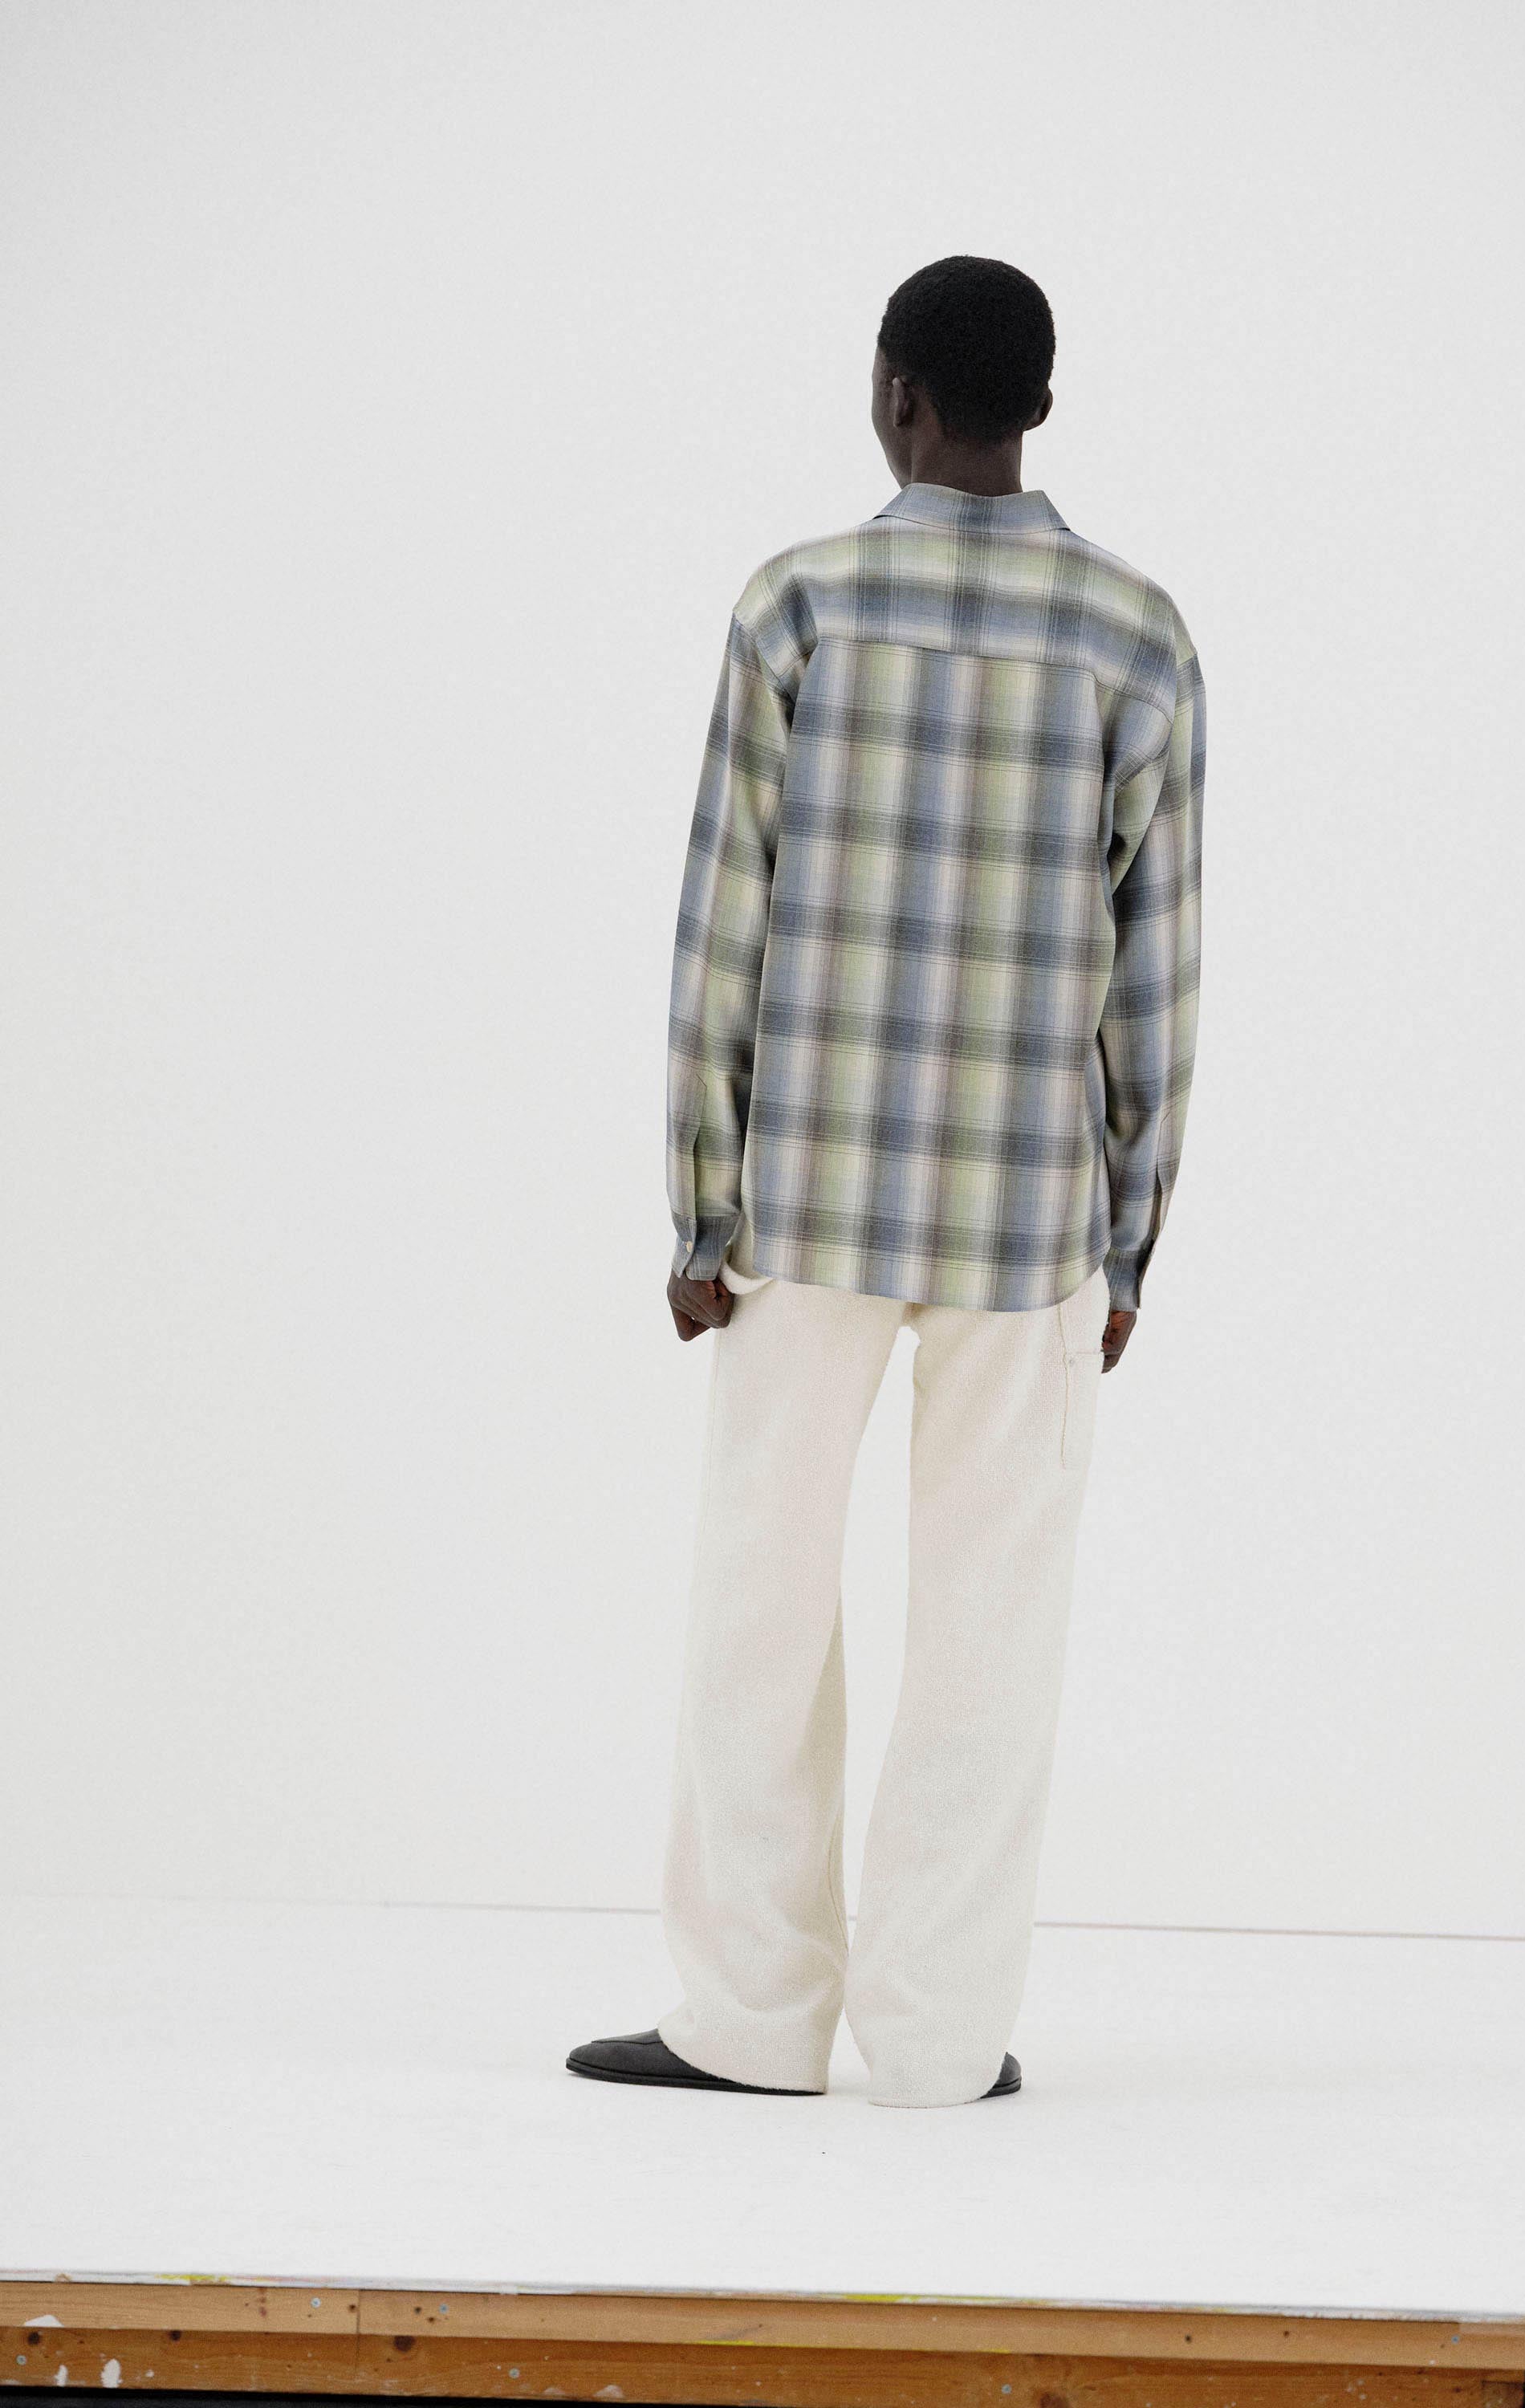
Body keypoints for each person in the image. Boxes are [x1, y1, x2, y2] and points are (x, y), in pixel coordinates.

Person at [567, 254, 1206, 2109]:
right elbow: (1157, 972)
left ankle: (748, 2021)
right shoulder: (1138, 637)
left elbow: (724, 927)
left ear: (898, 396)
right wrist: (1130, 1244)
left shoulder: (803, 605)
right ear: (1040, 407)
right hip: (1028, 1220)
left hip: (807, 1199)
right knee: (995, 1626)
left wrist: (700, 1208)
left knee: (759, 1610)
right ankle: (936, 2042)